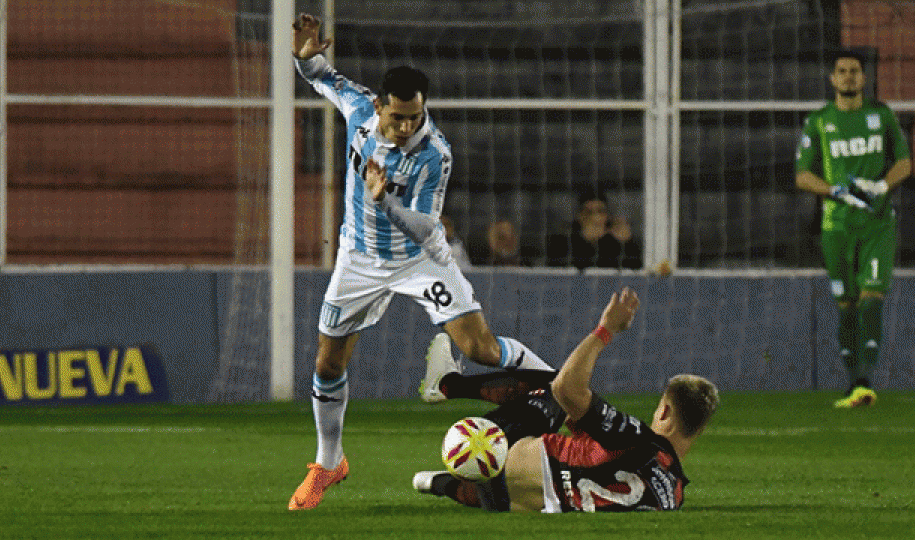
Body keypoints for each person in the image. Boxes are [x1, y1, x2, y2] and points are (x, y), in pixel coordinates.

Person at [288, 14, 555, 510]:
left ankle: (561, 393)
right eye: (400, 117)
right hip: (359, 259)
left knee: (482, 350)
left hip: (419, 260)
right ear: (382, 107)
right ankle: (329, 463)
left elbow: (428, 228)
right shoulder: (360, 111)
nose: (409, 126)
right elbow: (323, 79)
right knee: (327, 362)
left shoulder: (434, 153)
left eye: (416, 116)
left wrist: (384, 198)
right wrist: (305, 58)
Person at [414, 287, 720, 512]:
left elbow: (566, 389)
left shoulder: (639, 439)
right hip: (503, 502)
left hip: (496, 455)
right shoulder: (674, 497)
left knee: (551, 385)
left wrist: (606, 330)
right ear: (700, 429)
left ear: (663, 412)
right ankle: (435, 484)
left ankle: (448, 385)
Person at [795, 50, 911, 409]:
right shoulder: (818, 122)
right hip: (837, 226)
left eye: (855, 71)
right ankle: (853, 383)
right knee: (845, 305)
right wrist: (833, 190)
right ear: (832, 79)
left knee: (871, 297)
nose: (848, 77)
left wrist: (880, 187)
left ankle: (864, 380)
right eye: (842, 71)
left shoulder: (881, 115)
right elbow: (802, 175)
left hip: (876, 223)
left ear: (863, 78)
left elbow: (904, 162)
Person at [549, 195, 642, 270]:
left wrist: (628, 242)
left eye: (600, 211)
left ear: (607, 216)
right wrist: (586, 241)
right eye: (589, 212)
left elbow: (636, 271)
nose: (595, 217)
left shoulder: (616, 243)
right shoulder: (563, 243)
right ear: (580, 216)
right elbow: (557, 270)